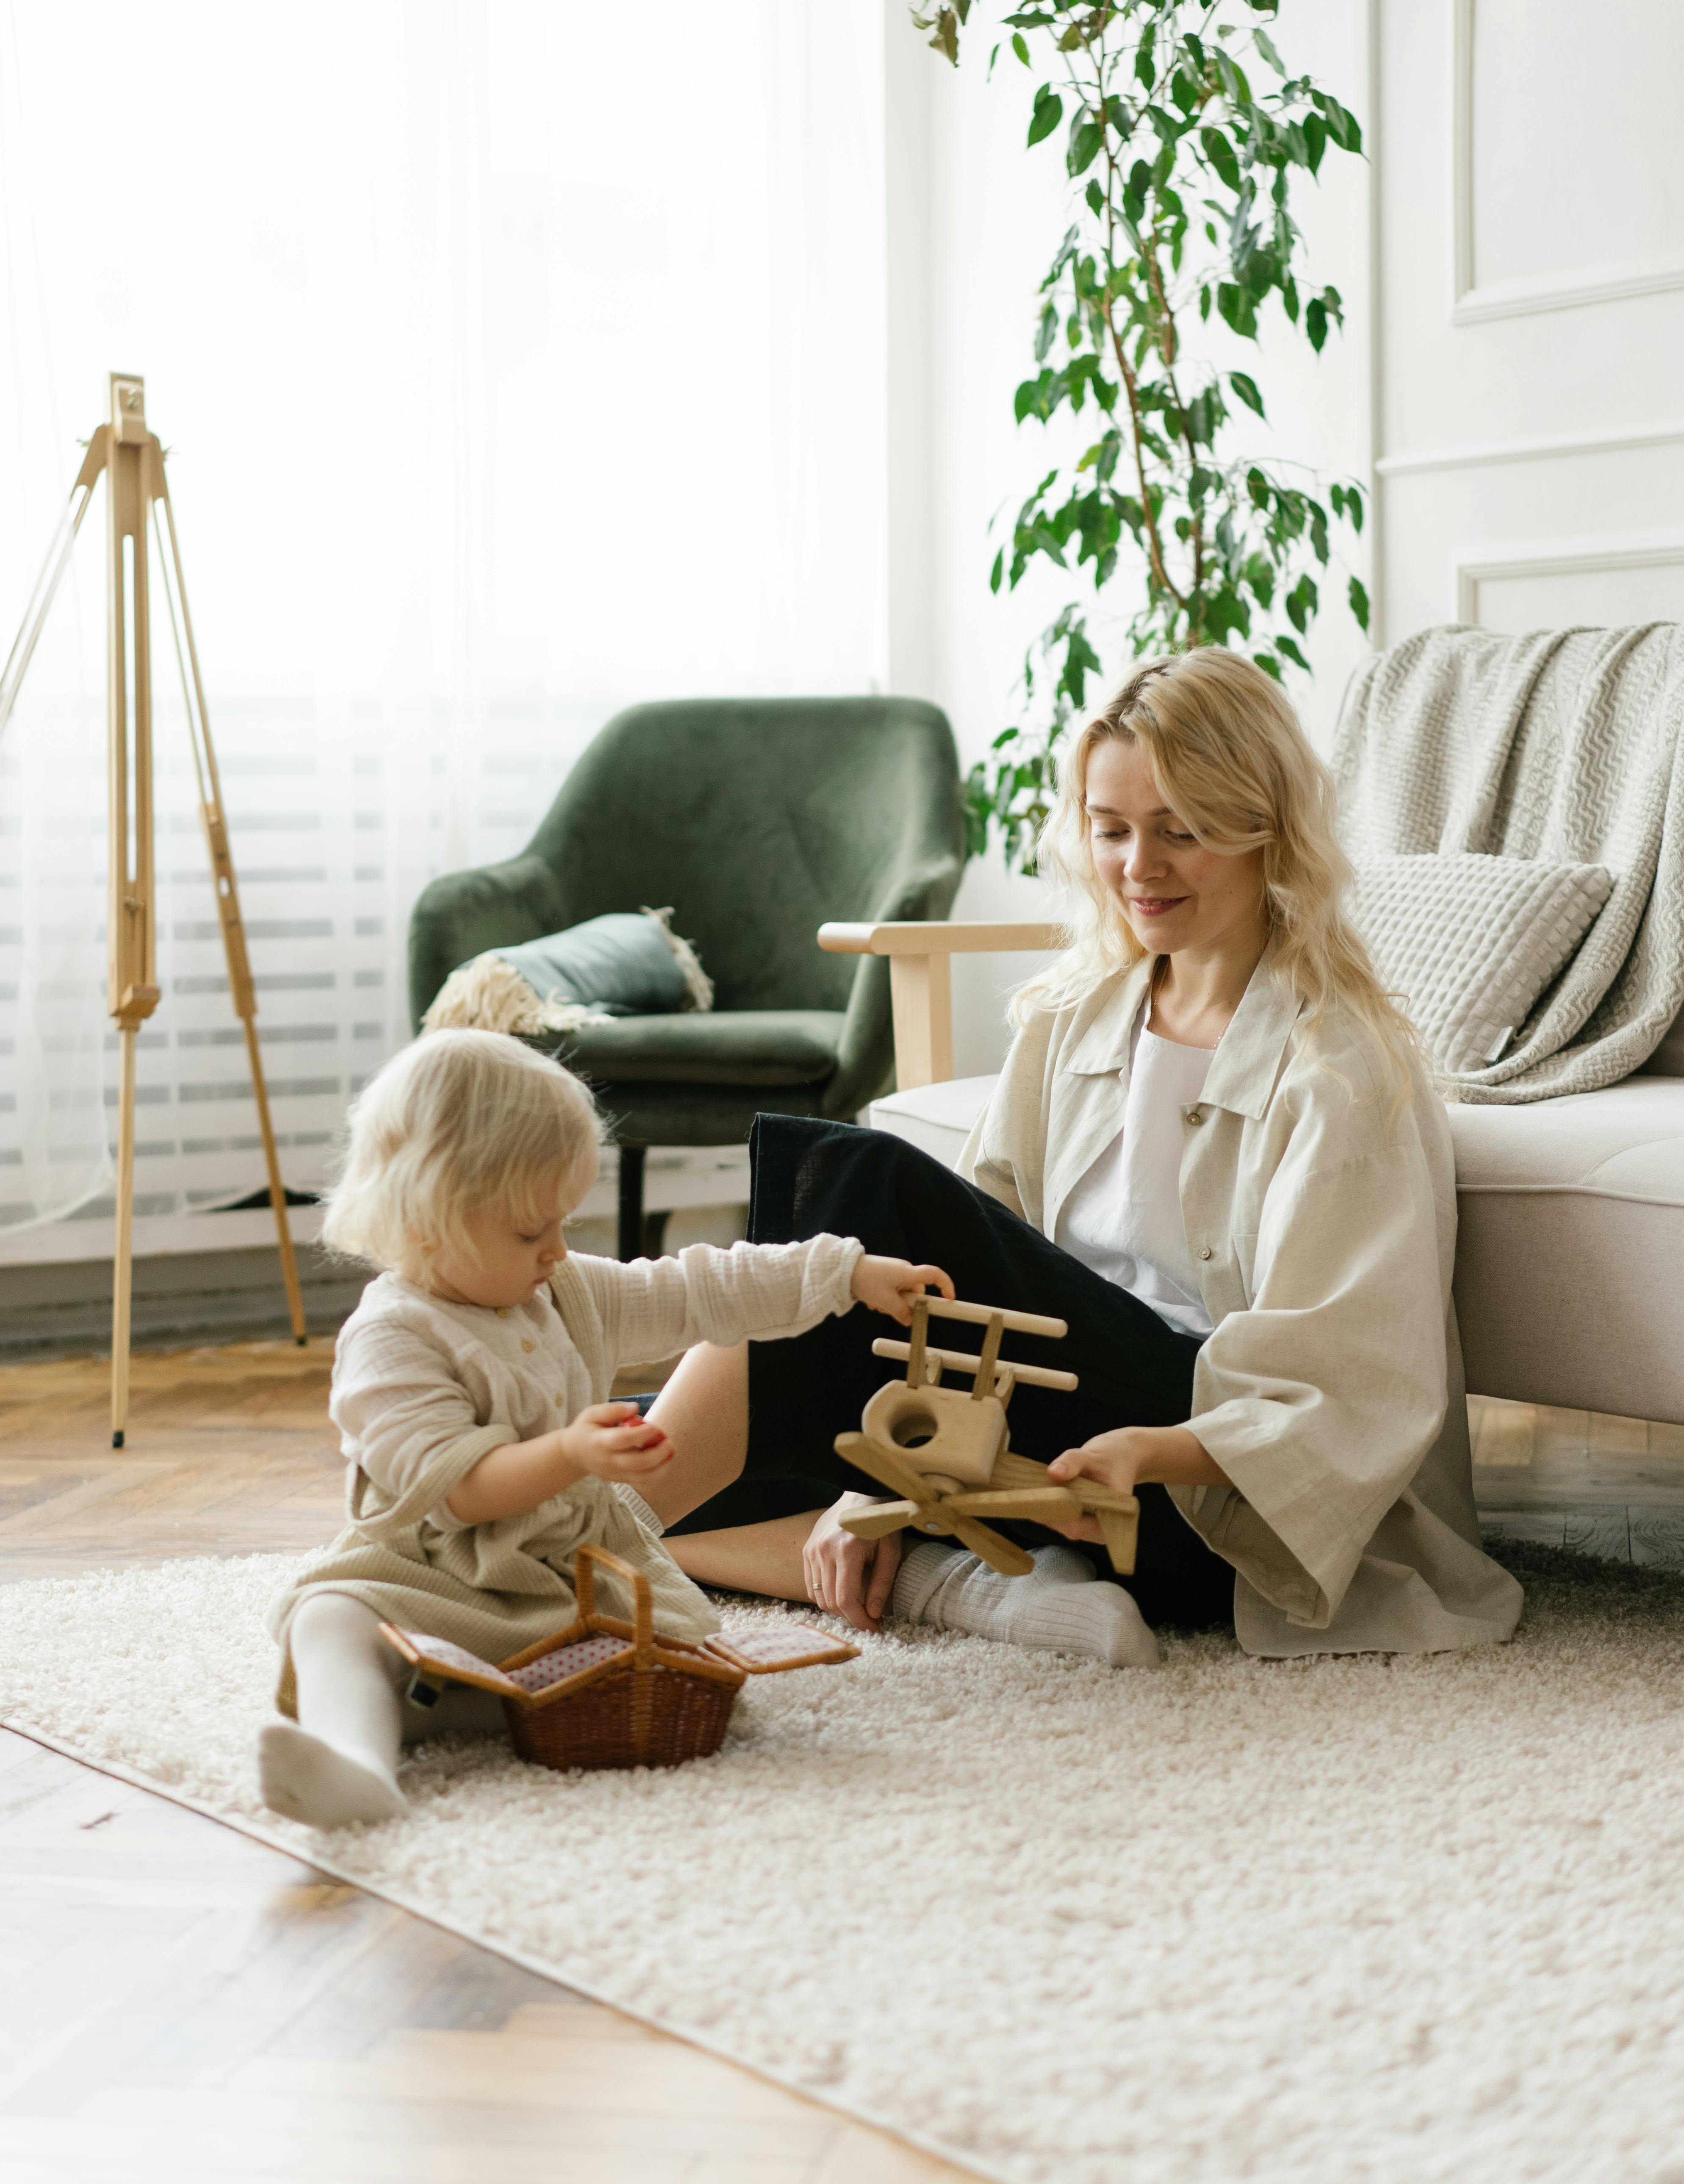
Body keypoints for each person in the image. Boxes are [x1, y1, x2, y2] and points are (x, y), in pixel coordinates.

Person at [637, 650, 1523, 1666]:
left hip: (1191, 1493)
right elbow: (971, 1263)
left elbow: (1354, 1385)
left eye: (1178, 833)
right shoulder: (1076, 1014)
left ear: (1262, 830)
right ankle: (966, 1590)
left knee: (863, 1186)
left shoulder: (1341, 1069)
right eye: (1111, 831)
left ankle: (538, 1562)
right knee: (636, 1428)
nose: (1137, 868)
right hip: (1040, 1439)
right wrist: (880, 1474)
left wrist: (1150, 1451)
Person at [260, 1028, 949, 1827]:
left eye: (564, 1221)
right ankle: (359, 1765)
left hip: (573, 1576)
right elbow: (456, 1493)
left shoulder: (564, 1291)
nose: (557, 1249)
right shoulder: (392, 1338)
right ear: (426, 1222)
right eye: (530, 1232)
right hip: (437, 1575)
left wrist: (844, 1274)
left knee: (680, 1669)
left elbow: (701, 1291)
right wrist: (569, 1453)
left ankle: (453, 1699)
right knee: (327, 1617)